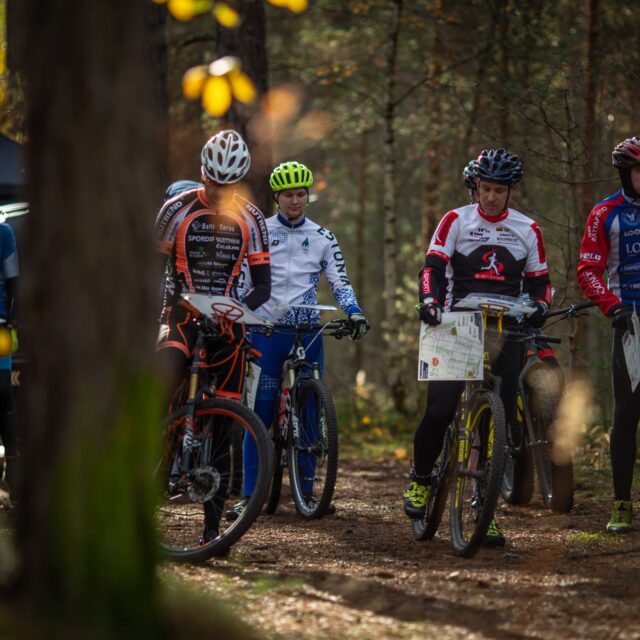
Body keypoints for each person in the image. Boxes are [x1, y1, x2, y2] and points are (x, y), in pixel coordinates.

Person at [405, 148, 552, 546]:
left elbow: (541, 282)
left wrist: (541, 306)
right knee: (438, 411)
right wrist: (431, 301)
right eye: (485, 188)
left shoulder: (528, 229)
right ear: (476, 187)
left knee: (498, 425)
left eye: (499, 190)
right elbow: (431, 269)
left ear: (510, 191)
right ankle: (420, 479)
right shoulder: (456, 220)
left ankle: (483, 511)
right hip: (455, 324)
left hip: (507, 326)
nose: (491, 197)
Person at [225, 160, 369, 520]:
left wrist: (353, 310)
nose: (295, 201)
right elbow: (244, 279)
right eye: (288, 195)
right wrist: (242, 316)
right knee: (259, 413)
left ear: (309, 195)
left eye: (301, 194)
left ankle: (307, 493)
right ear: (277, 197)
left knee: (309, 411)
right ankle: (249, 496)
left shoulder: (323, 237)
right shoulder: (258, 233)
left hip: (308, 332)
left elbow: (339, 281)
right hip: (268, 331)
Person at [155, 129, 271, 541]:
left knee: (226, 423)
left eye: (229, 184)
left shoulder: (252, 218)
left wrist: (236, 312)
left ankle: (212, 530)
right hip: (181, 314)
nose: (220, 191)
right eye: (214, 183)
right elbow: (154, 268)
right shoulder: (177, 209)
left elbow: (262, 286)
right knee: (162, 382)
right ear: (204, 174)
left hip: (227, 320)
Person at [577, 136, 640, 534]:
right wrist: (611, 305)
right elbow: (587, 269)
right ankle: (620, 503)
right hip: (631, 321)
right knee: (628, 414)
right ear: (624, 172)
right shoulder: (606, 213)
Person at [0, 220, 18, 501]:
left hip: (0, 325)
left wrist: (13, 319)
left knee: (3, 393)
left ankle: (14, 473)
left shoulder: (3, 232)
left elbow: (14, 279)